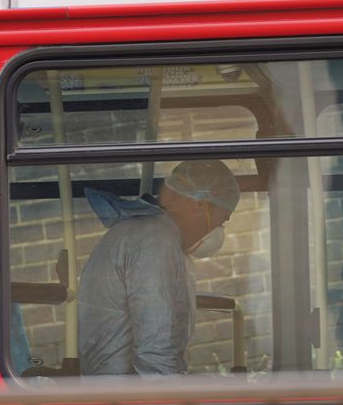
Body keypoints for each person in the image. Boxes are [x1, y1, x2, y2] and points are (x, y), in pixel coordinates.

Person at [78, 160, 240, 376]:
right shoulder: (154, 240)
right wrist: (169, 403)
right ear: (199, 205)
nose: (218, 230)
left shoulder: (153, 233)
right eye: (222, 220)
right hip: (126, 397)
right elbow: (156, 349)